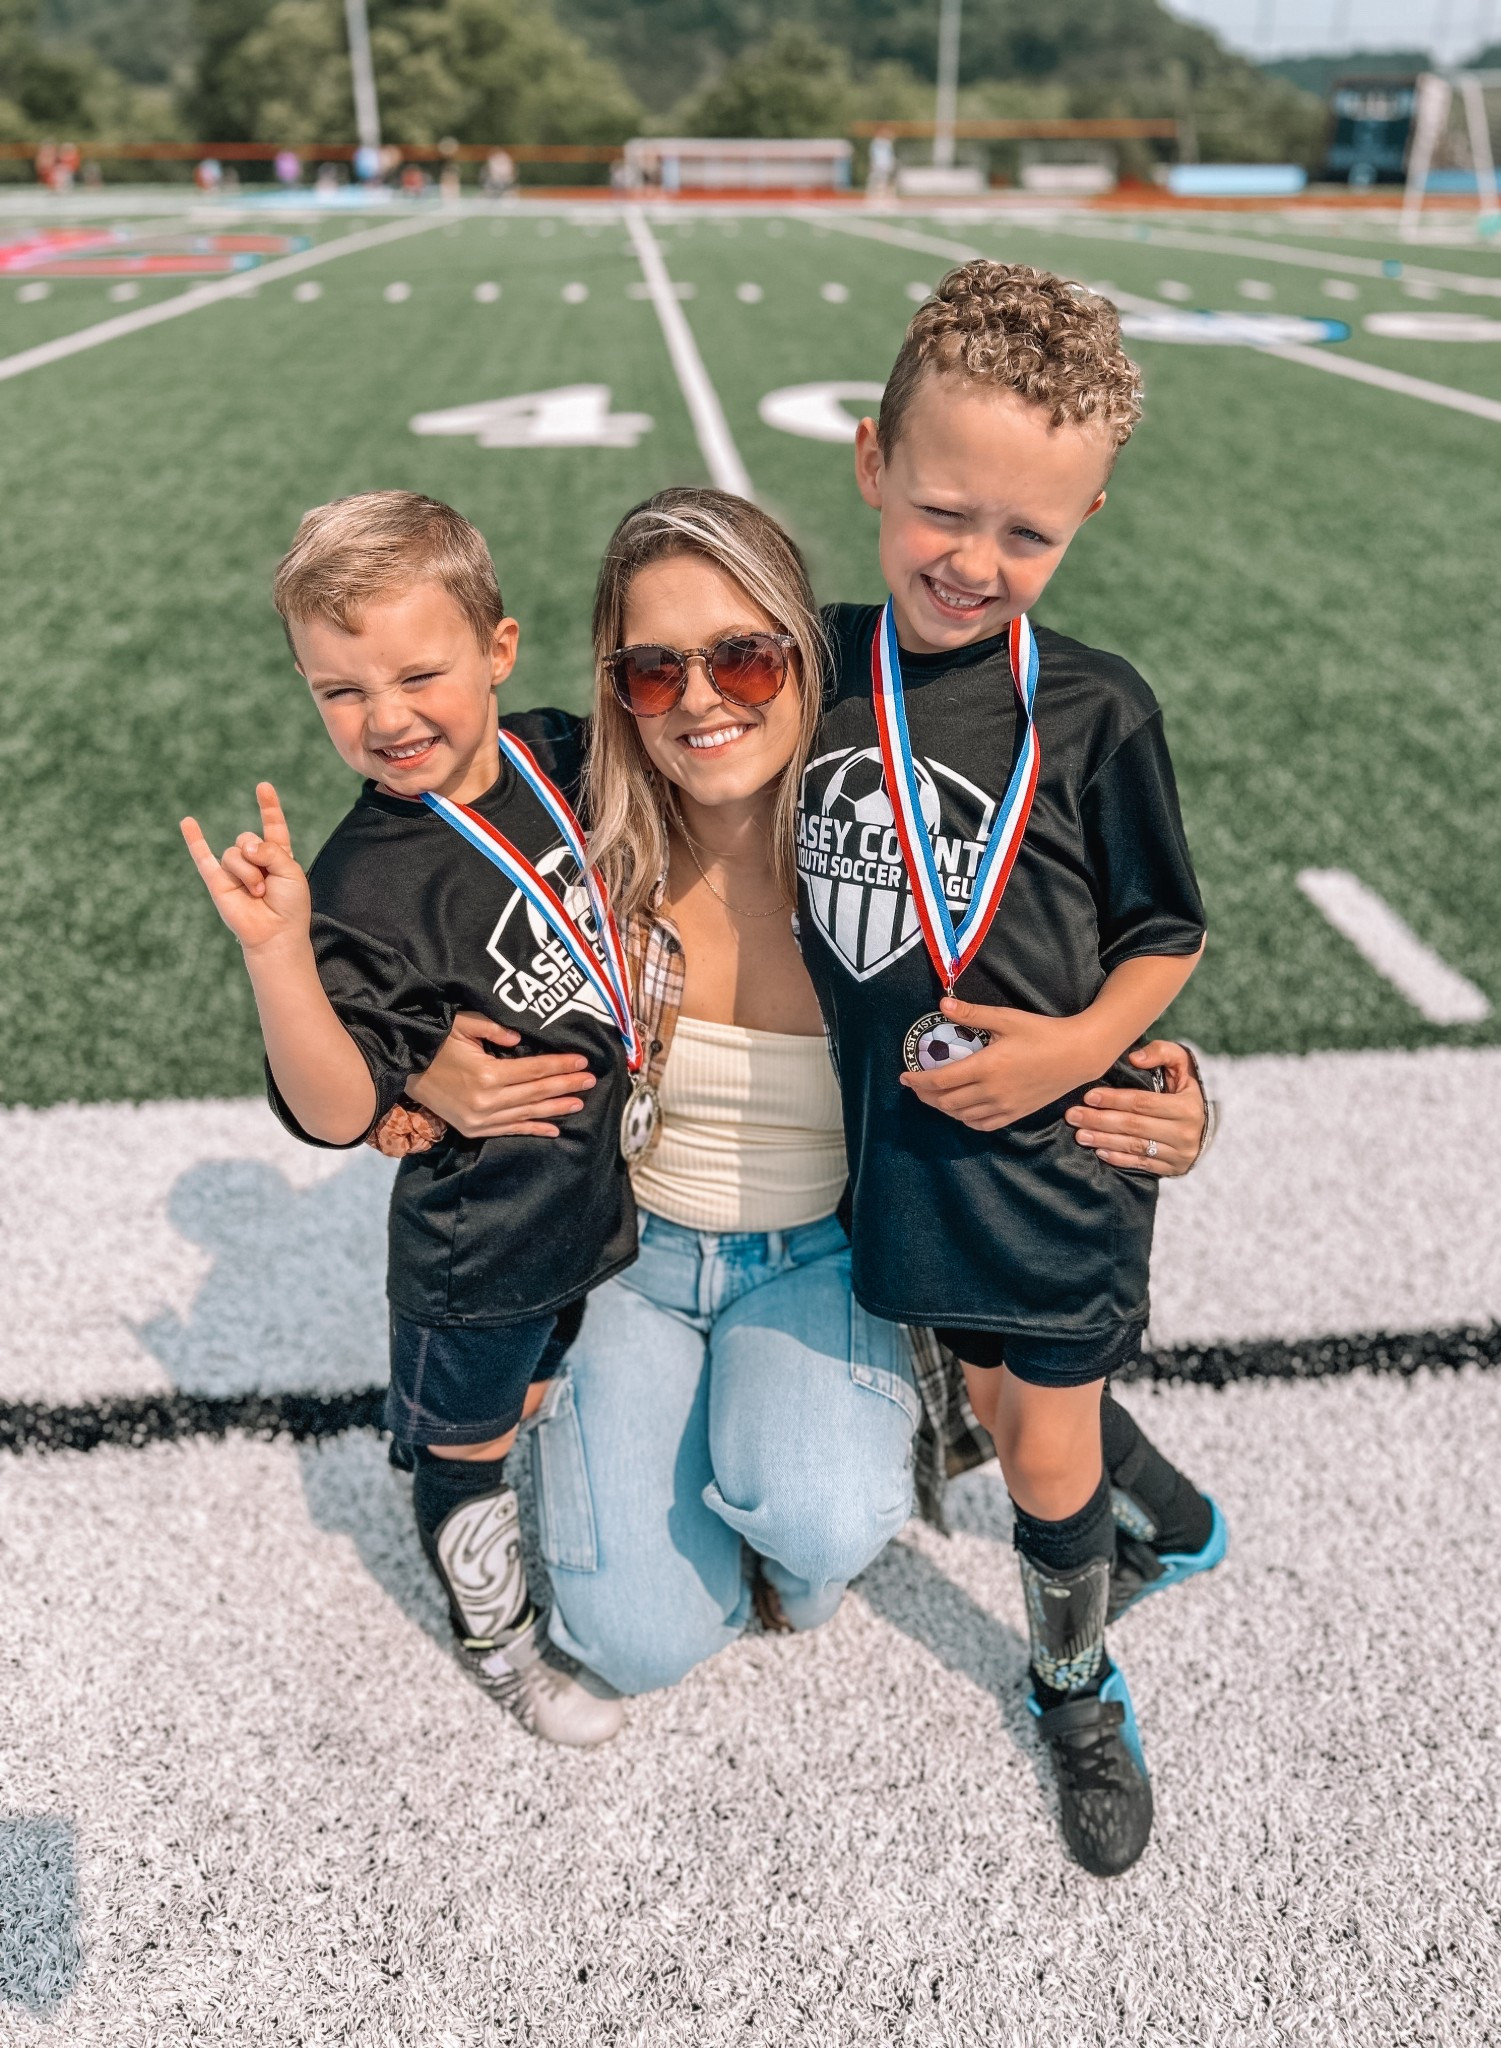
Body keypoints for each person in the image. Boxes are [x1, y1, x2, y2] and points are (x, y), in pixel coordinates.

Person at [389, 489, 1222, 1716]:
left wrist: (1179, 1099)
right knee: (634, 1641)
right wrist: (409, 1074)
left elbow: (1084, 974)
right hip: (630, 1255)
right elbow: (375, 907)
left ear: (803, 649)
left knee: (825, 1523)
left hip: (825, 1250)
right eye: (654, 672)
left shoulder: (895, 820)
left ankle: (814, 1497)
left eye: (744, 654)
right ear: (615, 687)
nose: (705, 698)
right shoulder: (564, 801)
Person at [796, 261, 1214, 1877]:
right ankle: (1165, 1506)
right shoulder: (807, 669)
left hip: (1052, 1175)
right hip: (897, 1161)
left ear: (1087, 513)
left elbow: (1164, 930)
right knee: (985, 1386)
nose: (974, 561)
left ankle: (1075, 1683)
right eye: (941, 510)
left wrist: (1083, 1047)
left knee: (1036, 1448)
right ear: (871, 465)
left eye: (1024, 532)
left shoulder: (1097, 707)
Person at [179, 491, 634, 1748]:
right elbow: (335, 1112)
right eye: (337, 691)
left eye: (418, 673)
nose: (383, 717)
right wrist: (279, 956)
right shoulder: (359, 887)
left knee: (534, 1400)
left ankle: (487, 1471)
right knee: (471, 1440)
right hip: (475, 1251)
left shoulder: (560, 751)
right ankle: (496, 1635)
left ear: (498, 649)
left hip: (590, 1205)